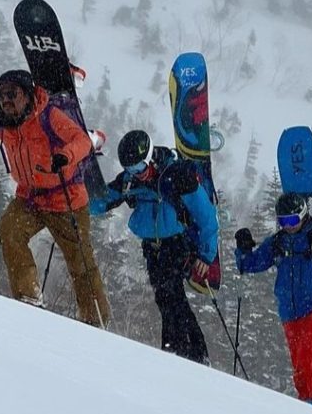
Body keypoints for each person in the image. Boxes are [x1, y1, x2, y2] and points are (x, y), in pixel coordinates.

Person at [0, 68, 110, 327]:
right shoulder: (1, 121)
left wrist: (65, 156)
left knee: (81, 263)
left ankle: (96, 322)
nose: (5, 100)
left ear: (27, 95)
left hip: (66, 199)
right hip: (29, 197)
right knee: (9, 231)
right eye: (1, 95)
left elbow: (81, 141)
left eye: (11, 94)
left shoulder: (50, 115)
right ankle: (28, 299)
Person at [91, 129, 218, 364]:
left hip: (177, 244)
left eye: (139, 168)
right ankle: (191, 353)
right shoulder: (131, 181)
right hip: (152, 247)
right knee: (166, 297)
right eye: (130, 170)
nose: (136, 175)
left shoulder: (178, 176)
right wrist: (80, 190)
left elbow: (207, 217)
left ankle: (180, 352)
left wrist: (206, 254)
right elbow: (101, 202)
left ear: (150, 158)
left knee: (170, 295)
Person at [234, 192, 312, 409]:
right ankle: (307, 400)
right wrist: (243, 249)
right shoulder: (278, 243)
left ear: (303, 216)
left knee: (310, 349)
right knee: (298, 356)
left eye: (292, 221)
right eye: (283, 221)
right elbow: (251, 264)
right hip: (289, 312)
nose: (288, 226)